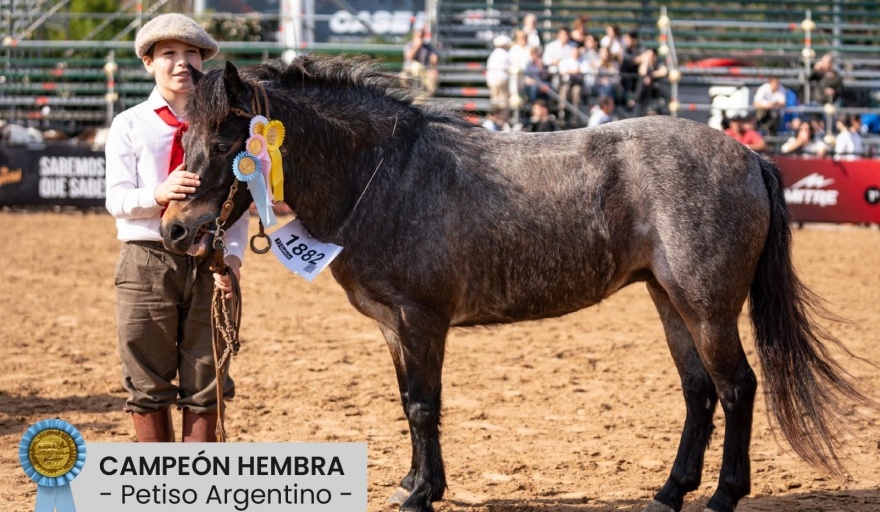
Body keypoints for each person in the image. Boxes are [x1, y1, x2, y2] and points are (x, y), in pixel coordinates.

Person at [104, 13, 249, 442]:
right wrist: (159, 193)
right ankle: (159, 489)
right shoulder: (129, 124)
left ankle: (196, 491)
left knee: (208, 382)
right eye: (169, 54)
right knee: (147, 384)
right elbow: (117, 201)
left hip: (210, 261)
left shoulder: (227, 129)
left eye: (192, 54)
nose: (182, 63)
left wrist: (234, 261)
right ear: (148, 62)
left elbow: (238, 203)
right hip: (146, 261)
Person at [401, 28, 439, 96]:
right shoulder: (409, 45)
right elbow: (409, 57)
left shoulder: (428, 46)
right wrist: (416, 46)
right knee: (415, 68)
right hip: (410, 71)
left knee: (433, 77)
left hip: (425, 71)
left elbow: (433, 59)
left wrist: (433, 67)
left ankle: (426, 97)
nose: (420, 38)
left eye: (421, 36)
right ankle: (410, 95)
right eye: (418, 36)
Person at [486, 35, 512, 110]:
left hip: (492, 81)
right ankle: (502, 119)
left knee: (495, 102)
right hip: (502, 80)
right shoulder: (505, 54)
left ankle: (495, 118)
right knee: (503, 102)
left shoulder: (493, 54)